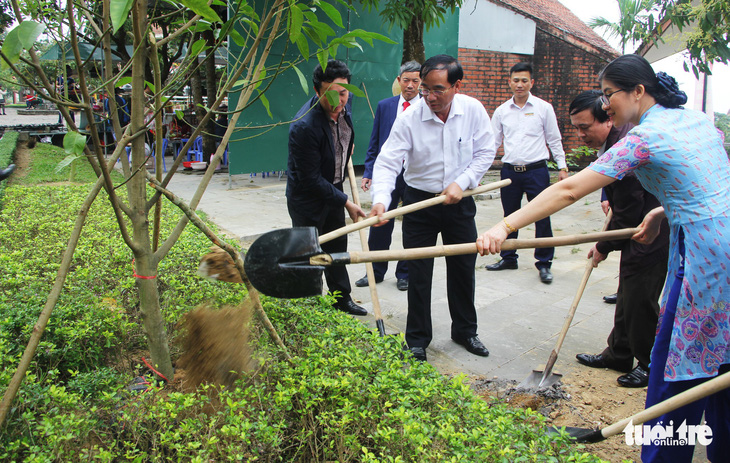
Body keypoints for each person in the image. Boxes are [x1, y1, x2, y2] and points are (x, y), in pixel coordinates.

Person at [476, 54, 730, 462]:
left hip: (707, 259)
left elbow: (569, 190)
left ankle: (664, 457)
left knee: (676, 367)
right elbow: (712, 178)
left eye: (609, 94)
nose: (605, 103)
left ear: (639, 91)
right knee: (720, 360)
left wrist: (504, 227)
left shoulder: (644, 138)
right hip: (723, 243)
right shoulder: (696, 120)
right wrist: (662, 210)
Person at [369, 54, 496, 361]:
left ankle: (465, 330)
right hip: (419, 203)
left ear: (457, 86)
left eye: (438, 89)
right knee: (418, 271)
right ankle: (417, 339)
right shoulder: (410, 117)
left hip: (460, 204)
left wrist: (463, 181)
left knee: (463, 268)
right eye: (426, 88)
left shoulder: (473, 111)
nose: (430, 96)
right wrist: (381, 200)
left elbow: (486, 151)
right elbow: (387, 161)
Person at [568, 90, 670, 388]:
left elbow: (628, 212)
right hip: (637, 227)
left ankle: (649, 364)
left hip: (652, 230)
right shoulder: (612, 140)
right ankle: (619, 353)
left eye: (585, 127)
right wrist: (606, 195)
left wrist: (602, 246)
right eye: (576, 127)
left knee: (640, 297)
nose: (580, 134)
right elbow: (609, 175)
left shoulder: (629, 142)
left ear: (607, 120)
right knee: (627, 290)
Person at [286, 59, 367, 316]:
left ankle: (341, 299)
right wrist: (346, 202)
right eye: (331, 94)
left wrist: (345, 144)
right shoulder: (303, 127)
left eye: (343, 93)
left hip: (334, 187)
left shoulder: (346, 99)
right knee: (309, 251)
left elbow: (345, 128)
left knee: (337, 247)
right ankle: (310, 306)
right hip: (307, 197)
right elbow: (310, 179)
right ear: (317, 91)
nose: (339, 100)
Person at [486, 62, 568, 284]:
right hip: (510, 172)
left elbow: (554, 138)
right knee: (510, 216)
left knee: (541, 216)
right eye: (515, 80)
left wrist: (562, 166)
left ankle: (544, 263)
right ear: (509, 82)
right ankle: (508, 257)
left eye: (524, 80)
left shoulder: (543, 108)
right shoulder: (502, 111)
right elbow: (492, 143)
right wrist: (480, 171)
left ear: (532, 82)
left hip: (536, 171)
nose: (519, 84)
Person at [357, 61, 422, 292]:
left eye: (415, 80)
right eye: (406, 80)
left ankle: (404, 273)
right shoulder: (385, 106)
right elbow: (375, 143)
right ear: (398, 80)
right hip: (388, 175)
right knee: (380, 222)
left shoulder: (426, 108)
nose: (411, 85)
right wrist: (369, 172)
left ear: (421, 82)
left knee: (411, 226)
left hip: (413, 175)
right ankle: (375, 270)